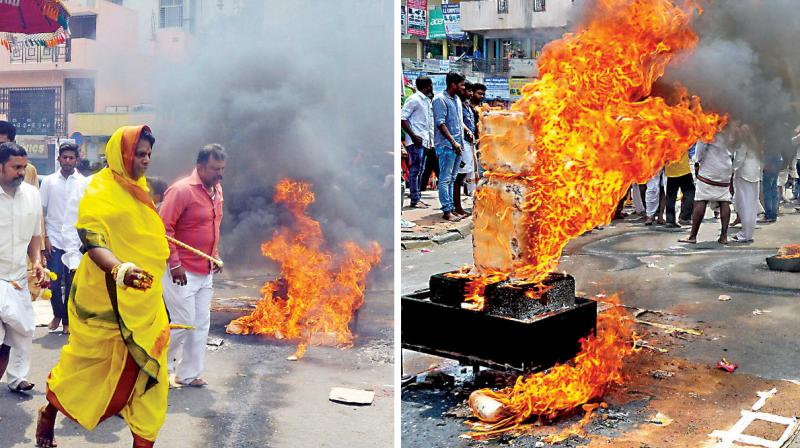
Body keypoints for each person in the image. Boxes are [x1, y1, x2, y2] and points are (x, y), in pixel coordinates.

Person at [37, 125, 170, 448]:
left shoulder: (141, 191)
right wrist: (120, 269)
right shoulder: (98, 190)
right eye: (140, 154)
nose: (146, 160)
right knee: (86, 374)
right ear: (122, 154)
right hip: (104, 302)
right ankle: (49, 414)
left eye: (149, 154)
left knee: (150, 377)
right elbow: (92, 239)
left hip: (144, 302)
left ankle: (143, 441)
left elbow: (149, 243)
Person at [160, 144, 225, 388]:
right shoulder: (180, 191)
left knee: (200, 324)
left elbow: (212, 228)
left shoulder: (217, 191)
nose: (220, 174)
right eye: (215, 169)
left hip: (205, 271)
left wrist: (214, 255)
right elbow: (164, 229)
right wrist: (174, 264)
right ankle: (156, 368)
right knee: (183, 322)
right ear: (200, 167)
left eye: (222, 169)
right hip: (181, 271)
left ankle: (188, 374)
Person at [0, 142, 46, 396]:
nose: (21, 172)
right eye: (15, 167)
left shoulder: (32, 194)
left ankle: (17, 378)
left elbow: (35, 235)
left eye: (23, 167)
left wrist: (37, 261)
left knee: (24, 330)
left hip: (17, 276)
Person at [39, 142, 88, 336]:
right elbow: (41, 213)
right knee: (53, 280)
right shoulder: (49, 182)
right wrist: (46, 239)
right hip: (54, 240)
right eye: (64, 157)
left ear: (76, 160)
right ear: (59, 158)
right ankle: (57, 314)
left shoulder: (84, 183)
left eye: (71, 158)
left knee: (72, 284)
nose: (68, 161)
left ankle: (67, 320)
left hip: (75, 242)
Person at [679, 132, 734, 245]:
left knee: (701, 199)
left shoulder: (708, 128)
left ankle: (693, 236)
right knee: (724, 200)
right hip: (726, 168)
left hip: (710, 169)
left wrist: (696, 160)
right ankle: (724, 237)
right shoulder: (729, 128)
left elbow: (699, 152)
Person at [432, 72, 466, 221]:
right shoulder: (440, 100)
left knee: (452, 178)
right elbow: (440, 123)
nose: (463, 88)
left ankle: (451, 208)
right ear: (453, 84)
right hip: (447, 146)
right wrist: (453, 142)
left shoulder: (457, 100)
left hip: (458, 145)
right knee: (445, 179)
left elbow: (458, 121)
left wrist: (466, 132)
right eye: (461, 85)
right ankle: (446, 211)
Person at [401, 76, 434, 208]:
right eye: (431, 85)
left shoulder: (426, 101)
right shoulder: (414, 99)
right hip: (415, 141)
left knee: (419, 170)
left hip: (423, 140)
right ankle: (415, 199)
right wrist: (413, 136)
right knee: (415, 170)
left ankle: (417, 197)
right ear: (427, 86)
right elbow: (402, 118)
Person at [731, 123, 762, 243]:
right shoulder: (756, 142)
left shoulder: (743, 144)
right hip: (754, 174)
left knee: (744, 205)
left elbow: (739, 159)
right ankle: (748, 232)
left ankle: (745, 234)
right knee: (752, 204)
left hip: (744, 174)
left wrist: (732, 170)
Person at [454, 81, 477, 216]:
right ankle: (457, 207)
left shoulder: (467, 106)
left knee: (466, 174)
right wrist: (467, 130)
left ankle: (458, 206)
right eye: (467, 91)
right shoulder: (458, 105)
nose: (470, 94)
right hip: (461, 143)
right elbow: (459, 122)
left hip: (469, 144)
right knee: (459, 176)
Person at [664, 148, 695, 227]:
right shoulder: (682, 136)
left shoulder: (665, 138)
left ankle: (670, 220)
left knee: (670, 197)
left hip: (671, 171)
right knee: (690, 193)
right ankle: (685, 217)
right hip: (684, 170)